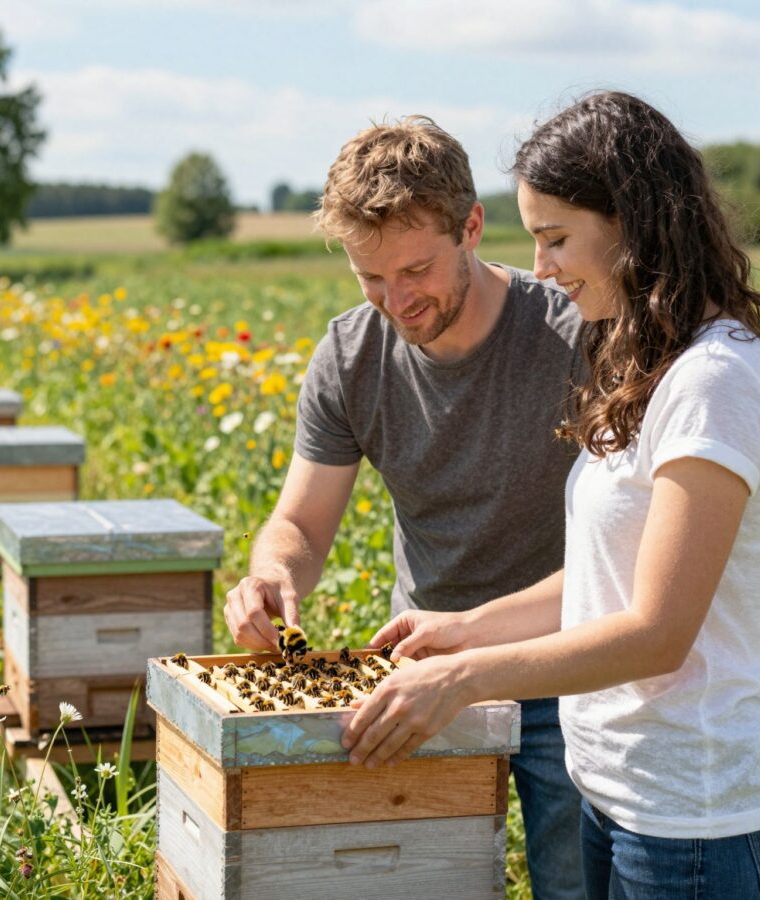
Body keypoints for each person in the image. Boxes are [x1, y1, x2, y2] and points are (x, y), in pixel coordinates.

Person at [341, 91, 760, 899]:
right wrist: (467, 629)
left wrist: (461, 679)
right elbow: (608, 583)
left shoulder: (713, 381)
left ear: (635, 222)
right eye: (535, 240)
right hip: (620, 798)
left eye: (557, 239)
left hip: (696, 825)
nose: (544, 269)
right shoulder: (648, 365)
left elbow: (657, 632)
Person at [223, 116, 586, 899]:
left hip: (568, 669)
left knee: (575, 887)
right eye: (371, 279)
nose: (397, 301)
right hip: (420, 682)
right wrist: (270, 577)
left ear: (474, 226)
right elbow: (300, 527)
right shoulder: (351, 356)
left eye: (415, 270)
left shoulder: (575, 334)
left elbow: (627, 557)